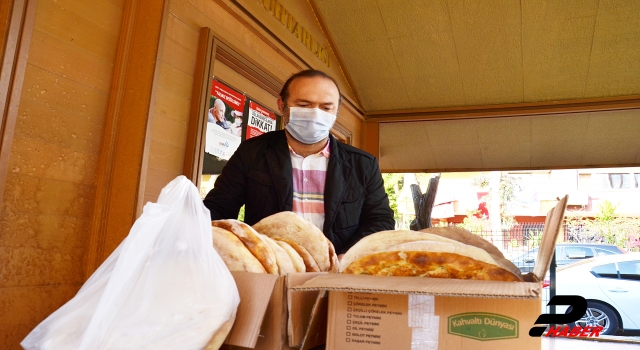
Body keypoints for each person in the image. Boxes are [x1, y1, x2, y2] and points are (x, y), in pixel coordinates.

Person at [203, 69, 395, 254]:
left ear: (336, 111)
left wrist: (345, 256)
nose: (315, 114)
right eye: (304, 105)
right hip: (271, 270)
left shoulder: (363, 165)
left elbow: (380, 220)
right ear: (282, 105)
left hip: (338, 274)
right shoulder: (252, 152)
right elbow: (218, 209)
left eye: (326, 108)